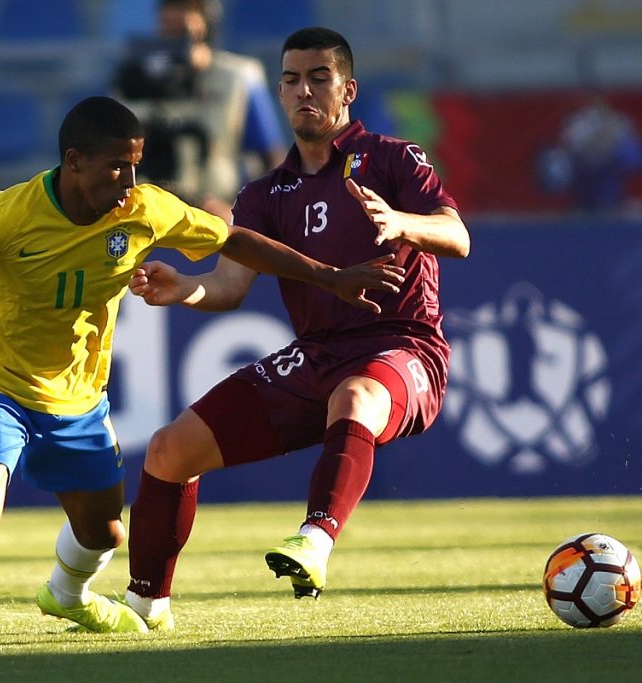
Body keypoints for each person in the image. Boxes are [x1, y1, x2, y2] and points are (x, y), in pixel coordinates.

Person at [0, 95, 406, 648]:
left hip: (80, 401)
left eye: (136, 165)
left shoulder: (144, 209)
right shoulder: (3, 215)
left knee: (105, 535)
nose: (130, 181)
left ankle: (66, 596)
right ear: (74, 162)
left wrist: (329, 277)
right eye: (117, 166)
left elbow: (234, 243)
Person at [121, 27, 470, 630]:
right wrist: (186, 287)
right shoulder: (264, 195)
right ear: (279, 93)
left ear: (348, 90)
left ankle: (314, 540)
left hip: (403, 346)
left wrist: (403, 222)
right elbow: (229, 287)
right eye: (290, 79)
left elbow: (457, 235)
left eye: (318, 78)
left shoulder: (392, 158)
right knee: (169, 449)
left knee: (355, 397)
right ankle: (145, 606)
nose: (303, 90)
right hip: (315, 355)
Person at [114, 0, 286, 221]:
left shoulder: (236, 79)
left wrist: (243, 212)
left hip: (214, 213)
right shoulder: (133, 81)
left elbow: (271, 160)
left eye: (185, 11)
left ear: (207, 20)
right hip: (148, 214)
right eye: (168, 15)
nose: (174, 20)